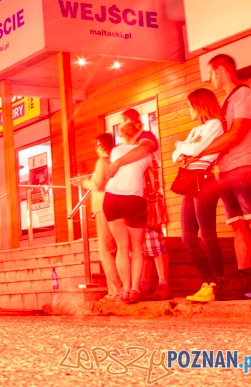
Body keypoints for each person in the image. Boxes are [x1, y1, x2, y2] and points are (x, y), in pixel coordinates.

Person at [186, 54, 251, 270]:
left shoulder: (244, 95)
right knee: (236, 224)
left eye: (210, 73)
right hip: (226, 171)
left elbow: (237, 134)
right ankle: (245, 277)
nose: (209, 79)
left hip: (246, 167)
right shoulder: (223, 102)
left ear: (221, 70)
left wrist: (198, 153)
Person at [94, 109, 157, 304]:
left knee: (122, 247)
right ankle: (135, 289)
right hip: (133, 198)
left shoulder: (115, 151)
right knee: (136, 248)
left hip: (112, 199)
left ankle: (125, 289)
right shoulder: (146, 151)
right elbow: (147, 160)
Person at [172, 88, 225, 290]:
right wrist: (184, 148)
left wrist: (181, 144)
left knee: (207, 234)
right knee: (187, 238)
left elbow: (192, 150)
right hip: (189, 182)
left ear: (200, 105)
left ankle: (218, 281)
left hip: (204, 180)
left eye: (189, 106)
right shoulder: (196, 130)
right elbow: (175, 157)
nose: (188, 111)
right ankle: (207, 281)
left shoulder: (214, 125)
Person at [75, 133, 121, 301]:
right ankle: (123, 286)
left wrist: (83, 182)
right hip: (117, 205)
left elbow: (97, 185)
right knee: (119, 249)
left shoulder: (102, 161)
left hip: (103, 207)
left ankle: (116, 289)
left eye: (95, 145)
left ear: (100, 145)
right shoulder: (118, 160)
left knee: (107, 250)